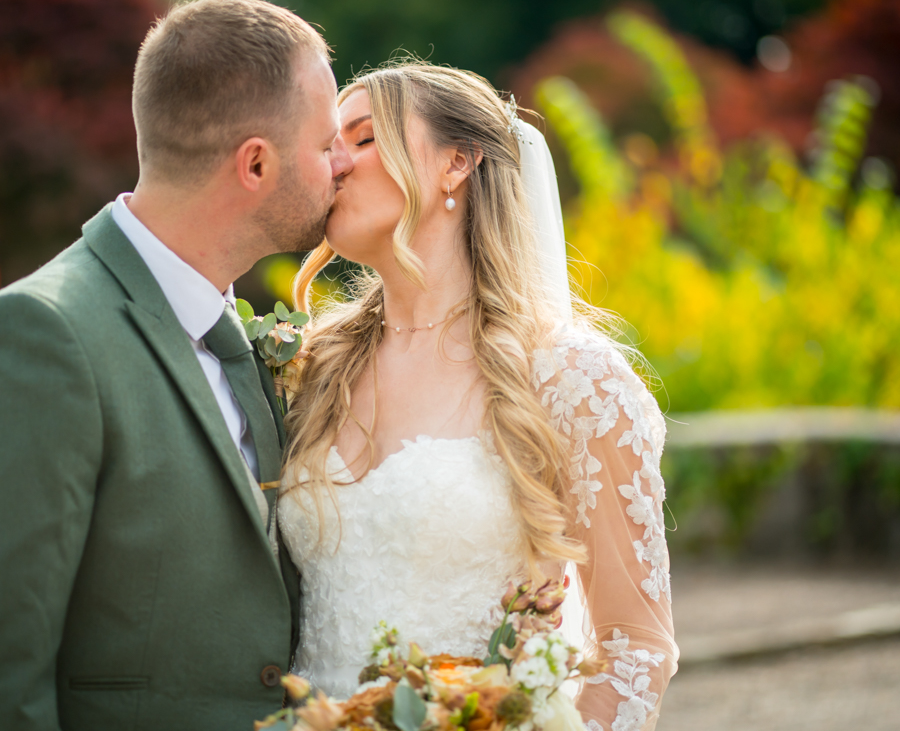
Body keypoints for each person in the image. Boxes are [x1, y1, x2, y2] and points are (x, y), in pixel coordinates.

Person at [0, 0, 353, 730]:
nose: (345, 165)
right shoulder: (39, 338)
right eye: (327, 144)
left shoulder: (246, 344)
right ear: (255, 163)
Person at [277, 63, 678, 730]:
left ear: (456, 162)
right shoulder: (312, 367)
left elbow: (635, 647)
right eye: (327, 145)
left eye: (364, 138)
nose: (333, 164)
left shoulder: (572, 379)